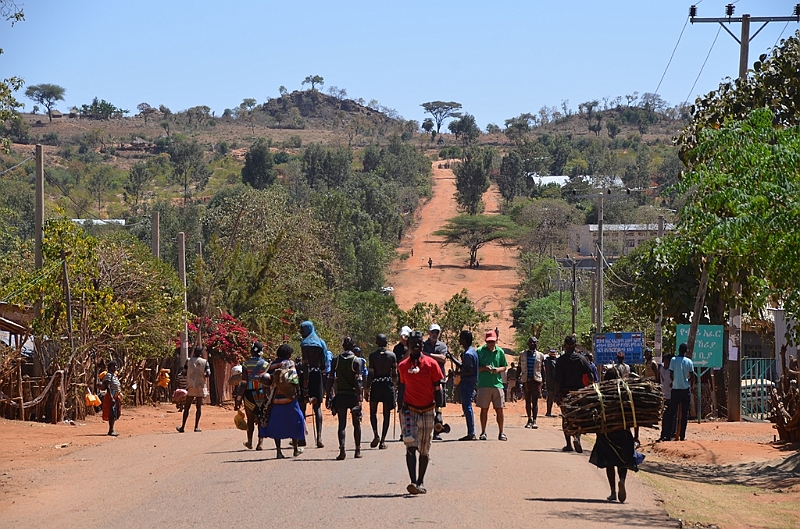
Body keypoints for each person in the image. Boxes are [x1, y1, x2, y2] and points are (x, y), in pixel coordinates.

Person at [398, 330, 444, 495]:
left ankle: (420, 481)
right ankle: (412, 482)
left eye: (419, 343)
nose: (416, 346)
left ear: (422, 345)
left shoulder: (432, 364)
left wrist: (439, 413)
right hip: (409, 411)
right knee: (410, 446)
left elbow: (438, 389)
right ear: (409, 346)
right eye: (413, 343)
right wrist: (400, 406)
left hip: (428, 411)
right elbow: (402, 387)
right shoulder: (403, 366)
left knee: (424, 449)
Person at [589, 366, 639, 503]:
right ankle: (622, 480)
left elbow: (594, 416)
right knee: (623, 461)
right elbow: (636, 416)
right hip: (624, 432)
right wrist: (636, 435)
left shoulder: (600, 393)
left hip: (607, 434)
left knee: (609, 462)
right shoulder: (626, 393)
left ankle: (612, 491)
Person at [260, 344, 306, 459]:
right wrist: (299, 392)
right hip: (289, 399)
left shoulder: (271, 365)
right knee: (296, 421)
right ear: (287, 354)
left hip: (275, 400)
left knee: (277, 425)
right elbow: (294, 379)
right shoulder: (289, 363)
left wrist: (268, 396)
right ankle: (295, 449)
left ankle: (279, 451)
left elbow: (266, 382)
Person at [326, 337, 365, 460]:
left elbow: (330, 379)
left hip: (341, 395)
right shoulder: (356, 361)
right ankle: (357, 450)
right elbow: (358, 382)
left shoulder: (336, 360)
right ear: (353, 347)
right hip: (353, 396)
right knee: (356, 424)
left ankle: (342, 450)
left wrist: (328, 396)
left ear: (343, 346)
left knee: (341, 424)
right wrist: (359, 399)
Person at [555, 335, 591, 452]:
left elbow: (558, 380)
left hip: (565, 393)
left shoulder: (560, 361)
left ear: (565, 345)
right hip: (579, 393)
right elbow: (589, 376)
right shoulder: (582, 359)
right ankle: (577, 437)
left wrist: (556, 394)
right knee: (578, 416)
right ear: (575, 346)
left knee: (566, 417)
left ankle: (568, 444)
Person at [234, 341, 268, 450]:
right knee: (261, 417)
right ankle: (260, 442)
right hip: (262, 394)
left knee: (250, 419)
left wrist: (238, 398)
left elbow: (244, 383)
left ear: (252, 351)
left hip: (249, 395)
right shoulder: (266, 364)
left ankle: (249, 441)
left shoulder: (246, 364)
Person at [446, 329, 479, 441]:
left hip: (467, 382)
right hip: (470, 382)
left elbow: (468, 370)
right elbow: (464, 366)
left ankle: (471, 433)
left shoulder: (468, 354)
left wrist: (456, 373)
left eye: (460, 337)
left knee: (467, 406)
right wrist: (452, 358)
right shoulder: (471, 352)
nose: (459, 339)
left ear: (464, 340)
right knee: (466, 406)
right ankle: (471, 432)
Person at [367, 334, 398, 450]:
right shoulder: (392, 356)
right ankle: (383, 440)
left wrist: (366, 388)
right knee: (386, 414)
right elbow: (395, 374)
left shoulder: (372, 356)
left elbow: (370, 373)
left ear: (376, 343)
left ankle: (376, 434)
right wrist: (395, 387)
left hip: (376, 385)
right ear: (386, 343)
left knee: (372, 412)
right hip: (387, 385)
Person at [476, 330, 508, 441]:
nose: (491, 344)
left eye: (493, 341)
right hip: (483, 384)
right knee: (484, 409)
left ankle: (501, 432)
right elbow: (476, 368)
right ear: (486, 341)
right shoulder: (479, 351)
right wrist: (485, 368)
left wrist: (497, 370)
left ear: (496, 341)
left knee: (499, 409)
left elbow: (504, 366)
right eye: (489, 342)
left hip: (497, 384)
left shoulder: (500, 352)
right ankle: (483, 432)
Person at [300, 320, 327, 448]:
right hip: (318, 376)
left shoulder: (304, 344)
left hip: (307, 376)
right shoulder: (321, 343)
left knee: (303, 408)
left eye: (302, 330)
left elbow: (305, 365)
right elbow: (325, 362)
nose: (301, 333)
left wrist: (305, 384)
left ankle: (302, 438)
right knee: (317, 408)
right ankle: (320, 437)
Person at [423, 323, 448, 440]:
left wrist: (427, 355)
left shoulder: (442, 346)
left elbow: (443, 359)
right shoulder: (423, 345)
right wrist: (435, 357)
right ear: (429, 333)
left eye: (437, 332)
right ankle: (426, 430)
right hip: (425, 379)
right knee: (426, 404)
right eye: (433, 332)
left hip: (439, 379)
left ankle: (437, 431)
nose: (435, 334)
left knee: (439, 405)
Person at [177, 345, 210, 433]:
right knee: (198, 407)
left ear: (194, 351)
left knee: (187, 407)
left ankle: (183, 427)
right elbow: (208, 374)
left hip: (191, 386)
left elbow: (183, 373)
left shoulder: (188, 361)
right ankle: (196, 427)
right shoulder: (205, 362)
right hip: (201, 386)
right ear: (201, 353)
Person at [665, 343, 694, 441]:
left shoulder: (673, 360)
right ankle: (682, 436)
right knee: (685, 414)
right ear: (686, 351)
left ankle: (668, 435)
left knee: (672, 413)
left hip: (676, 389)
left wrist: (674, 381)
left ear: (678, 350)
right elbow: (692, 375)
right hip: (685, 390)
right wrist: (690, 384)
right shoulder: (689, 361)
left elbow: (671, 374)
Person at [519, 337, 544, 429]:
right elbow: (519, 367)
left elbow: (542, 369)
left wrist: (543, 382)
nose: (533, 344)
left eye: (535, 343)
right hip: (526, 380)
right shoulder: (522, 354)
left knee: (535, 401)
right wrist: (518, 380)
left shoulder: (540, 355)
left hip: (536, 380)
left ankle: (534, 420)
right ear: (528, 344)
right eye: (531, 342)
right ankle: (529, 419)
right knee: (527, 401)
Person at [101, 360, 122, 436]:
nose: (116, 367)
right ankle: (111, 430)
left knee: (116, 413)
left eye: (116, 366)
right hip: (111, 396)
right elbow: (108, 386)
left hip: (116, 396)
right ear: (110, 367)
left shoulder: (114, 375)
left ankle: (112, 429)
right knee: (111, 413)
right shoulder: (109, 375)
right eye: (114, 366)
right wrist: (112, 397)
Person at [658, 353, 675, 441]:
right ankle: (663, 434)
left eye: (668, 362)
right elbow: (658, 379)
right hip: (664, 395)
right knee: (664, 417)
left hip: (672, 395)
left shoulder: (672, 370)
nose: (666, 363)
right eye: (665, 361)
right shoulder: (660, 368)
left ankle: (672, 434)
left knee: (671, 416)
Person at [543, 349, 558, 417]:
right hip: (553, 381)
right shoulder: (552, 362)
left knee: (549, 396)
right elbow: (554, 373)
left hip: (548, 380)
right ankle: (549, 412)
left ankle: (548, 411)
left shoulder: (546, 361)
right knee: (553, 395)